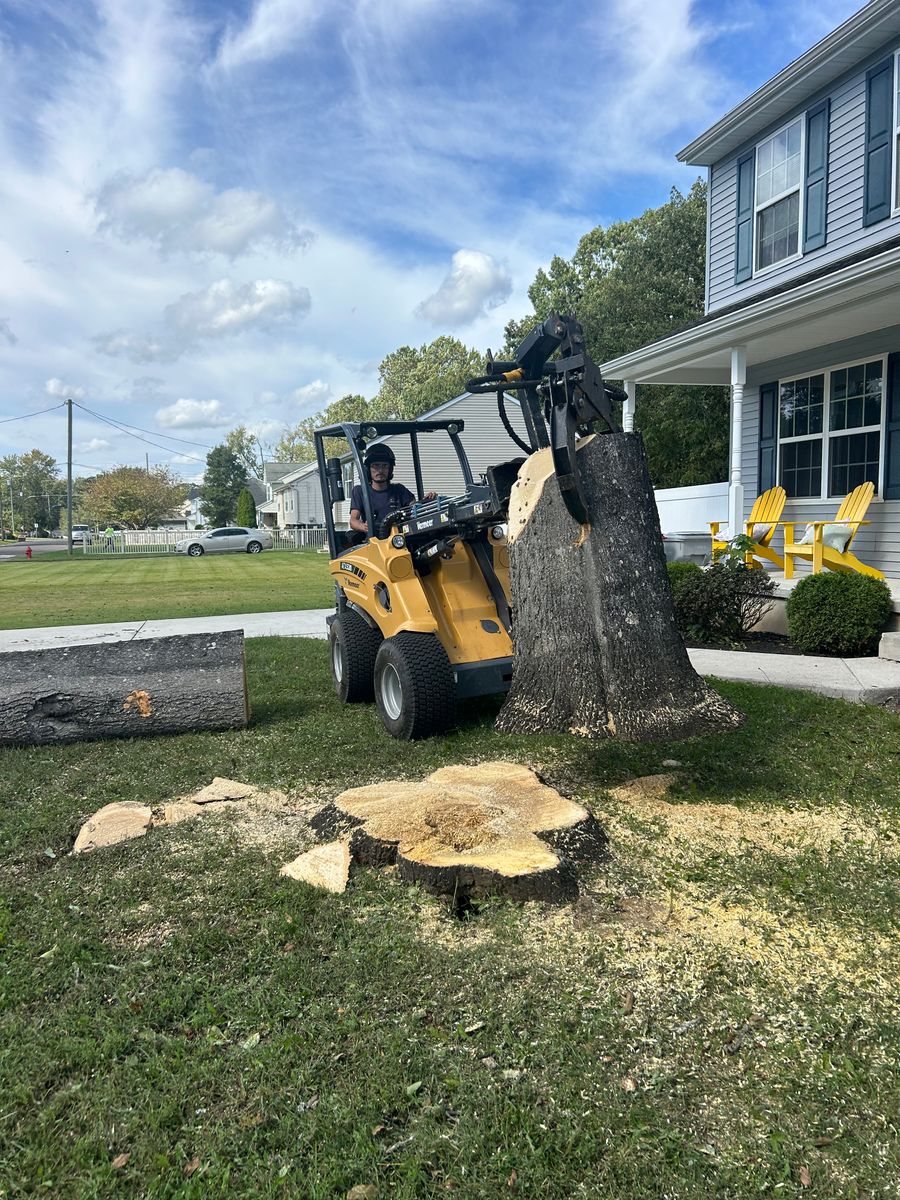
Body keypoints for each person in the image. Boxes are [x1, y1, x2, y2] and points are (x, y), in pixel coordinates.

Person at [349, 444, 435, 537]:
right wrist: (363, 526)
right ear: (368, 469)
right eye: (376, 466)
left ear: (390, 469)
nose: (380, 470)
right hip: (374, 539)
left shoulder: (399, 490)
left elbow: (414, 508)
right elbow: (353, 521)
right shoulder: (360, 491)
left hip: (400, 537)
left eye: (385, 466)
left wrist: (426, 501)